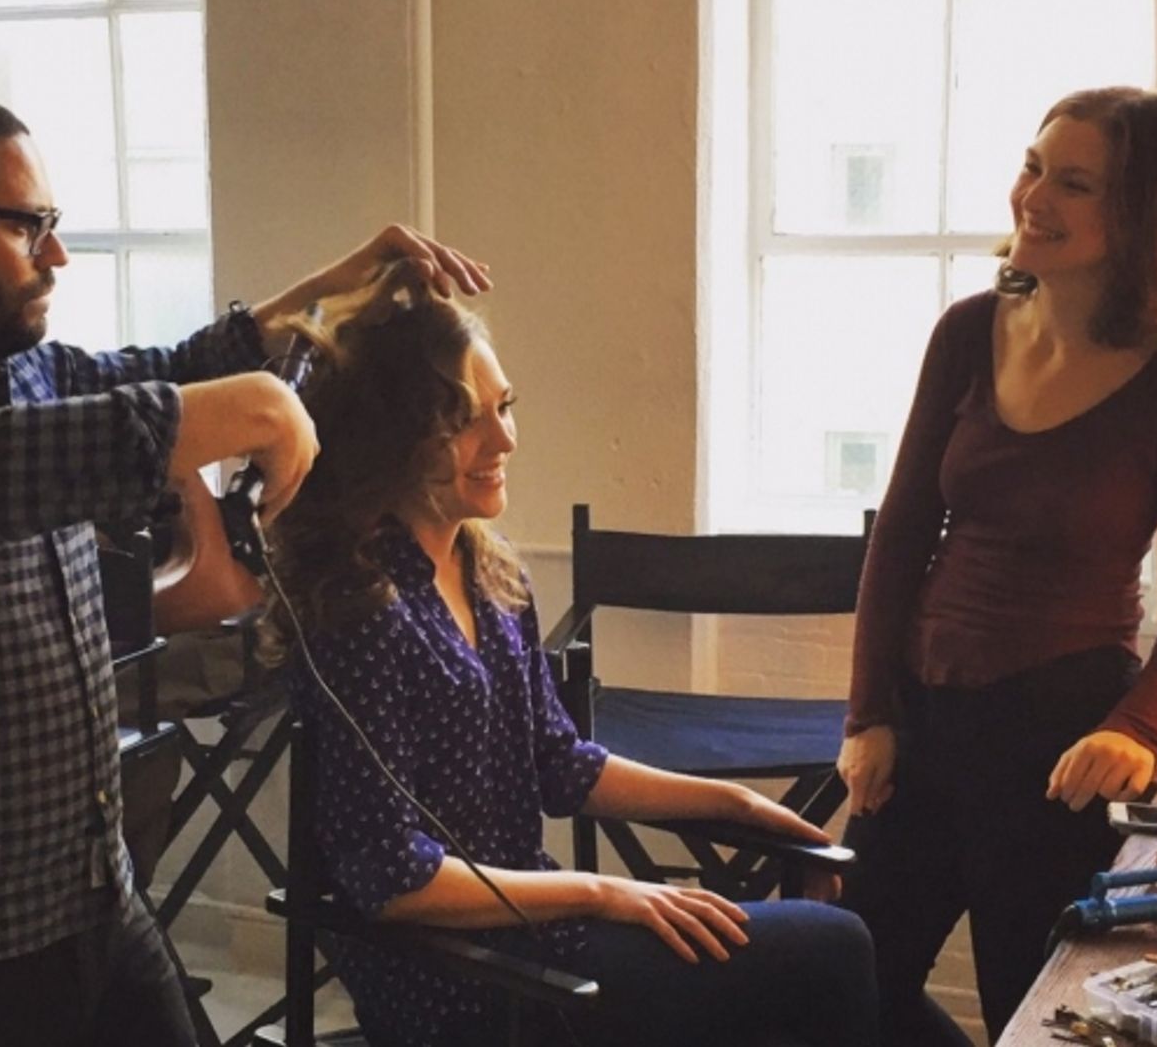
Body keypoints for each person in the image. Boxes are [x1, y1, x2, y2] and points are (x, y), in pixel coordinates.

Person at [0, 85, 490, 1047]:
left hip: (90, 896)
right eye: (27, 227)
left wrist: (333, 289)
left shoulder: (7, 368)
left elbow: (176, 364)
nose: (55, 255)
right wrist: (249, 407)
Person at [261, 260, 878, 1047]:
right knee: (831, 955)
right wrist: (600, 893)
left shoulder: (490, 574)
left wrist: (738, 804)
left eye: (505, 407)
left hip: (537, 939)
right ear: (395, 440)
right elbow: (393, 880)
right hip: (458, 981)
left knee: (829, 968)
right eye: (466, 420)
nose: (504, 439)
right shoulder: (361, 612)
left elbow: (560, 765)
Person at [835, 86, 1157, 1045]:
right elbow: (902, 535)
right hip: (920, 723)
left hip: (1058, 749)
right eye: (1033, 166)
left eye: (1074, 184)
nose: (1033, 198)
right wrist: (869, 713)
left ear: (1139, 213)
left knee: (1034, 1015)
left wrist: (1136, 727)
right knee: (842, 991)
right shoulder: (969, 331)